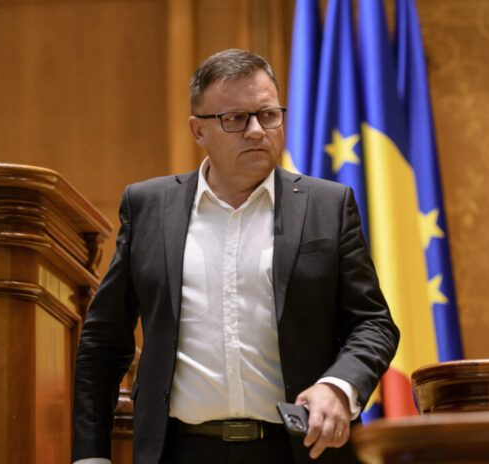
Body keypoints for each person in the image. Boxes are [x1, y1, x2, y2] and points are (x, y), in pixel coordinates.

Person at [72, 49, 399, 464]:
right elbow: (104, 341)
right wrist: (91, 456)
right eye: (236, 118)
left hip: (299, 451)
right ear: (198, 130)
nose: (257, 131)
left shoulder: (327, 206)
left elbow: (374, 324)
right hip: (180, 451)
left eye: (268, 115)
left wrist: (338, 386)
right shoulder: (149, 207)